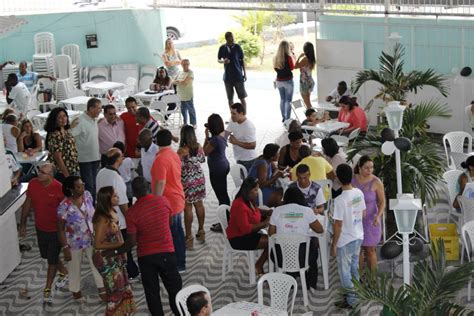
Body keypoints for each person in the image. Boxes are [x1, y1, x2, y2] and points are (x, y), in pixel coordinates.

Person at [123, 176, 183, 316]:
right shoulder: (163, 201)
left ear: (134, 192)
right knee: (175, 289)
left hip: (146, 257)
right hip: (167, 252)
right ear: (148, 187)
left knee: (152, 293)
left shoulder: (131, 212)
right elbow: (168, 224)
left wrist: (116, 250)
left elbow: (131, 241)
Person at [19, 163, 68, 304]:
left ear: (51, 176)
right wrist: (22, 223)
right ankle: (64, 272)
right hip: (40, 229)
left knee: (51, 261)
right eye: (39, 170)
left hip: (56, 231)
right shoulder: (33, 184)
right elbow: (28, 203)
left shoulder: (59, 188)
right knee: (48, 256)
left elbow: (66, 210)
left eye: (43, 172)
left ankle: (47, 289)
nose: (39, 173)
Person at [57, 176, 106, 302]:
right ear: (71, 190)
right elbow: (60, 229)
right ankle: (75, 291)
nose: (83, 188)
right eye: (79, 186)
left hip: (91, 239)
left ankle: (102, 289)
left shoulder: (87, 196)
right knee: (74, 267)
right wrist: (65, 248)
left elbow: (94, 215)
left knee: (97, 263)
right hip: (73, 243)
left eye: (82, 184)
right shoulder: (64, 206)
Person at [96, 148, 140, 280]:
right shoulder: (116, 177)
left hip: (105, 216)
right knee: (126, 247)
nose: (123, 158)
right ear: (117, 159)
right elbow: (123, 203)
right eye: (121, 156)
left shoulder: (101, 172)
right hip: (119, 221)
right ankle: (131, 273)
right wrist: (131, 220)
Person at [268, 187, 324, 290]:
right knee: (313, 247)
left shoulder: (277, 211)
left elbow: (271, 234)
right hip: (303, 257)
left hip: (281, 257)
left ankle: (290, 277)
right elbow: (320, 230)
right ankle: (311, 283)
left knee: (283, 248)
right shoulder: (307, 211)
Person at [92, 186, 136, 315]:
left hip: (115, 255)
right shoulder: (102, 218)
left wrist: (120, 249)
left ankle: (123, 312)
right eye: (114, 196)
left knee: (122, 285)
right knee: (115, 289)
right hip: (106, 258)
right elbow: (98, 244)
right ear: (107, 199)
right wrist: (120, 244)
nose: (117, 197)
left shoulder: (113, 212)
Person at [331, 163, 366, 309]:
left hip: (345, 240)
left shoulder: (339, 200)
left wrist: (333, 244)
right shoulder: (359, 192)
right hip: (358, 235)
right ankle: (356, 296)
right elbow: (363, 213)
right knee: (354, 268)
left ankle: (352, 301)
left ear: (338, 179)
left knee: (345, 272)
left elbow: (337, 226)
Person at [151, 129, 186, 272]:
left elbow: (160, 182)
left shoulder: (161, 159)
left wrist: (156, 202)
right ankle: (180, 261)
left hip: (168, 201)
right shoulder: (173, 154)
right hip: (176, 197)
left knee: (173, 233)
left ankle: (178, 263)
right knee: (177, 231)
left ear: (157, 141)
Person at [226, 177, 269, 275]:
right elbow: (245, 229)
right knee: (272, 241)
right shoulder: (239, 205)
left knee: (272, 238)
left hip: (248, 234)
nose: (257, 192)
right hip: (239, 238)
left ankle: (262, 264)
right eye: (255, 190)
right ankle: (259, 265)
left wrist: (268, 212)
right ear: (248, 191)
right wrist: (264, 223)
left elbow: (255, 211)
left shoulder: (248, 199)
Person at [352, 155, 385, 272]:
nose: (370, 171)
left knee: (370, 250)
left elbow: (382, 202)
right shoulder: (352, 180)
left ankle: (373, 281)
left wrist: (378, 216)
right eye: (366, 168)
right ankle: (358, 278)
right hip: (356, 220)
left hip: (371, 220)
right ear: (359, 168)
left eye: (371, 168)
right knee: (358, 250)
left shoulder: (376, 182)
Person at [178, 125, 206, 250]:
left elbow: (178, 166)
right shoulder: (198, 147)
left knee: (187, 208)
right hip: (199, 179)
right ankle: (201, 231)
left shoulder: (182, 150)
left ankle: (188, 237)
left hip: (187, 181)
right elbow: (203, 159)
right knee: (199, 205)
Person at [70, 98, 102, 199]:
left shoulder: (94, 120)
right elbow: (70, 135)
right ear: (91, 108)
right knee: (89, 186)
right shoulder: (80, 121)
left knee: (95, 185)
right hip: (85, 160)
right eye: (98, 108)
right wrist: (70, 127)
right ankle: (89, 209)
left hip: (95, 158)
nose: (100, 111)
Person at [44, 108, 80, 182]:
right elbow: (58, 157)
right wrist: (67, 176)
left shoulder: (65, 131)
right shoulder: (55, 134)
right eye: (60, 117)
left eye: (64, 116)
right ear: (55, 120)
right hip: (61, 172)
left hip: (72, 168)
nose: (63, 119)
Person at [204, 114, 230, 206]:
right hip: (224, 165)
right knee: (223, 191)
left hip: (217, 170)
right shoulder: (224, 133)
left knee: (221, 194)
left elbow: (205, 152)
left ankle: (226, 216)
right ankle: (226, 212)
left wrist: (206, 137)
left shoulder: (214, 140)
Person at [217, 31, 247, 111]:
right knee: (230, 99)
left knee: (242, 97)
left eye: (233, 37)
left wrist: (245, 74)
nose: (232, 39)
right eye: (231, 37)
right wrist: (224, 61)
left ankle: (244, 115)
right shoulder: (222, 48)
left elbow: (242, 61)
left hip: (238, 76)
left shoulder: (237, 47)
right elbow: (218, 60)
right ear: (227, 38)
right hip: (227, 78)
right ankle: (233, 115)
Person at [226, 102, 257, 171]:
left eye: (234, 114)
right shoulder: (232, 121)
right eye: (231, 113)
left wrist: (236, 142)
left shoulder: (249, 127)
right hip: (238, 158)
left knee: (249, 181)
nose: (232, 116)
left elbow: (253, 145)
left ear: (241, 113)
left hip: (249, 160)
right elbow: (226, 133)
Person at [274, 40, 295, 122]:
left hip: (279, 81)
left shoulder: (276, 58)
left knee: (282, 99)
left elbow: (275, 68)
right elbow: (292, 68)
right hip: (288, 81)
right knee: (288, 100)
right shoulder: (288, 57)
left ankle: (283, 117)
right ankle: (288, 118)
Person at [294, 42, 316, 108]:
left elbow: (295, 66)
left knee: (307, 104)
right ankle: (311, 116)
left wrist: (299, 57)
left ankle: (313, 116)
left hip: (304, 83)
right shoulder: (312, 59)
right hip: (309, 81)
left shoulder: (305, 59)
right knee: (308, 102)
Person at [176, 59, 197, 127]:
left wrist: (178, 81)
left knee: (191, 110)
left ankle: (194, 123)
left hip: (188, 95)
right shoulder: (180, 72)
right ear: (181, 65)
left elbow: (185, 82)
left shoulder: (190, 73)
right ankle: (185, 123)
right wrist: (180, 81)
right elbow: (173, 81)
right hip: (180, 95)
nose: (185, 66)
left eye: (187, 64)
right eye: (184, 64)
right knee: (183, 110)